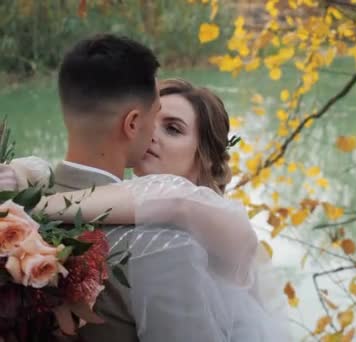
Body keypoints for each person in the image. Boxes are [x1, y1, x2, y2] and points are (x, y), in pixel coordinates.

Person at [0, 34, 263, 341]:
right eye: (156, 118)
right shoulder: (165, 250)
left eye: (174, 128)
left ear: (204, 159)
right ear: (133, 123)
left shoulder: (17, 217)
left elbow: (177, 201)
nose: (154, 134)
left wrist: (24, 206)